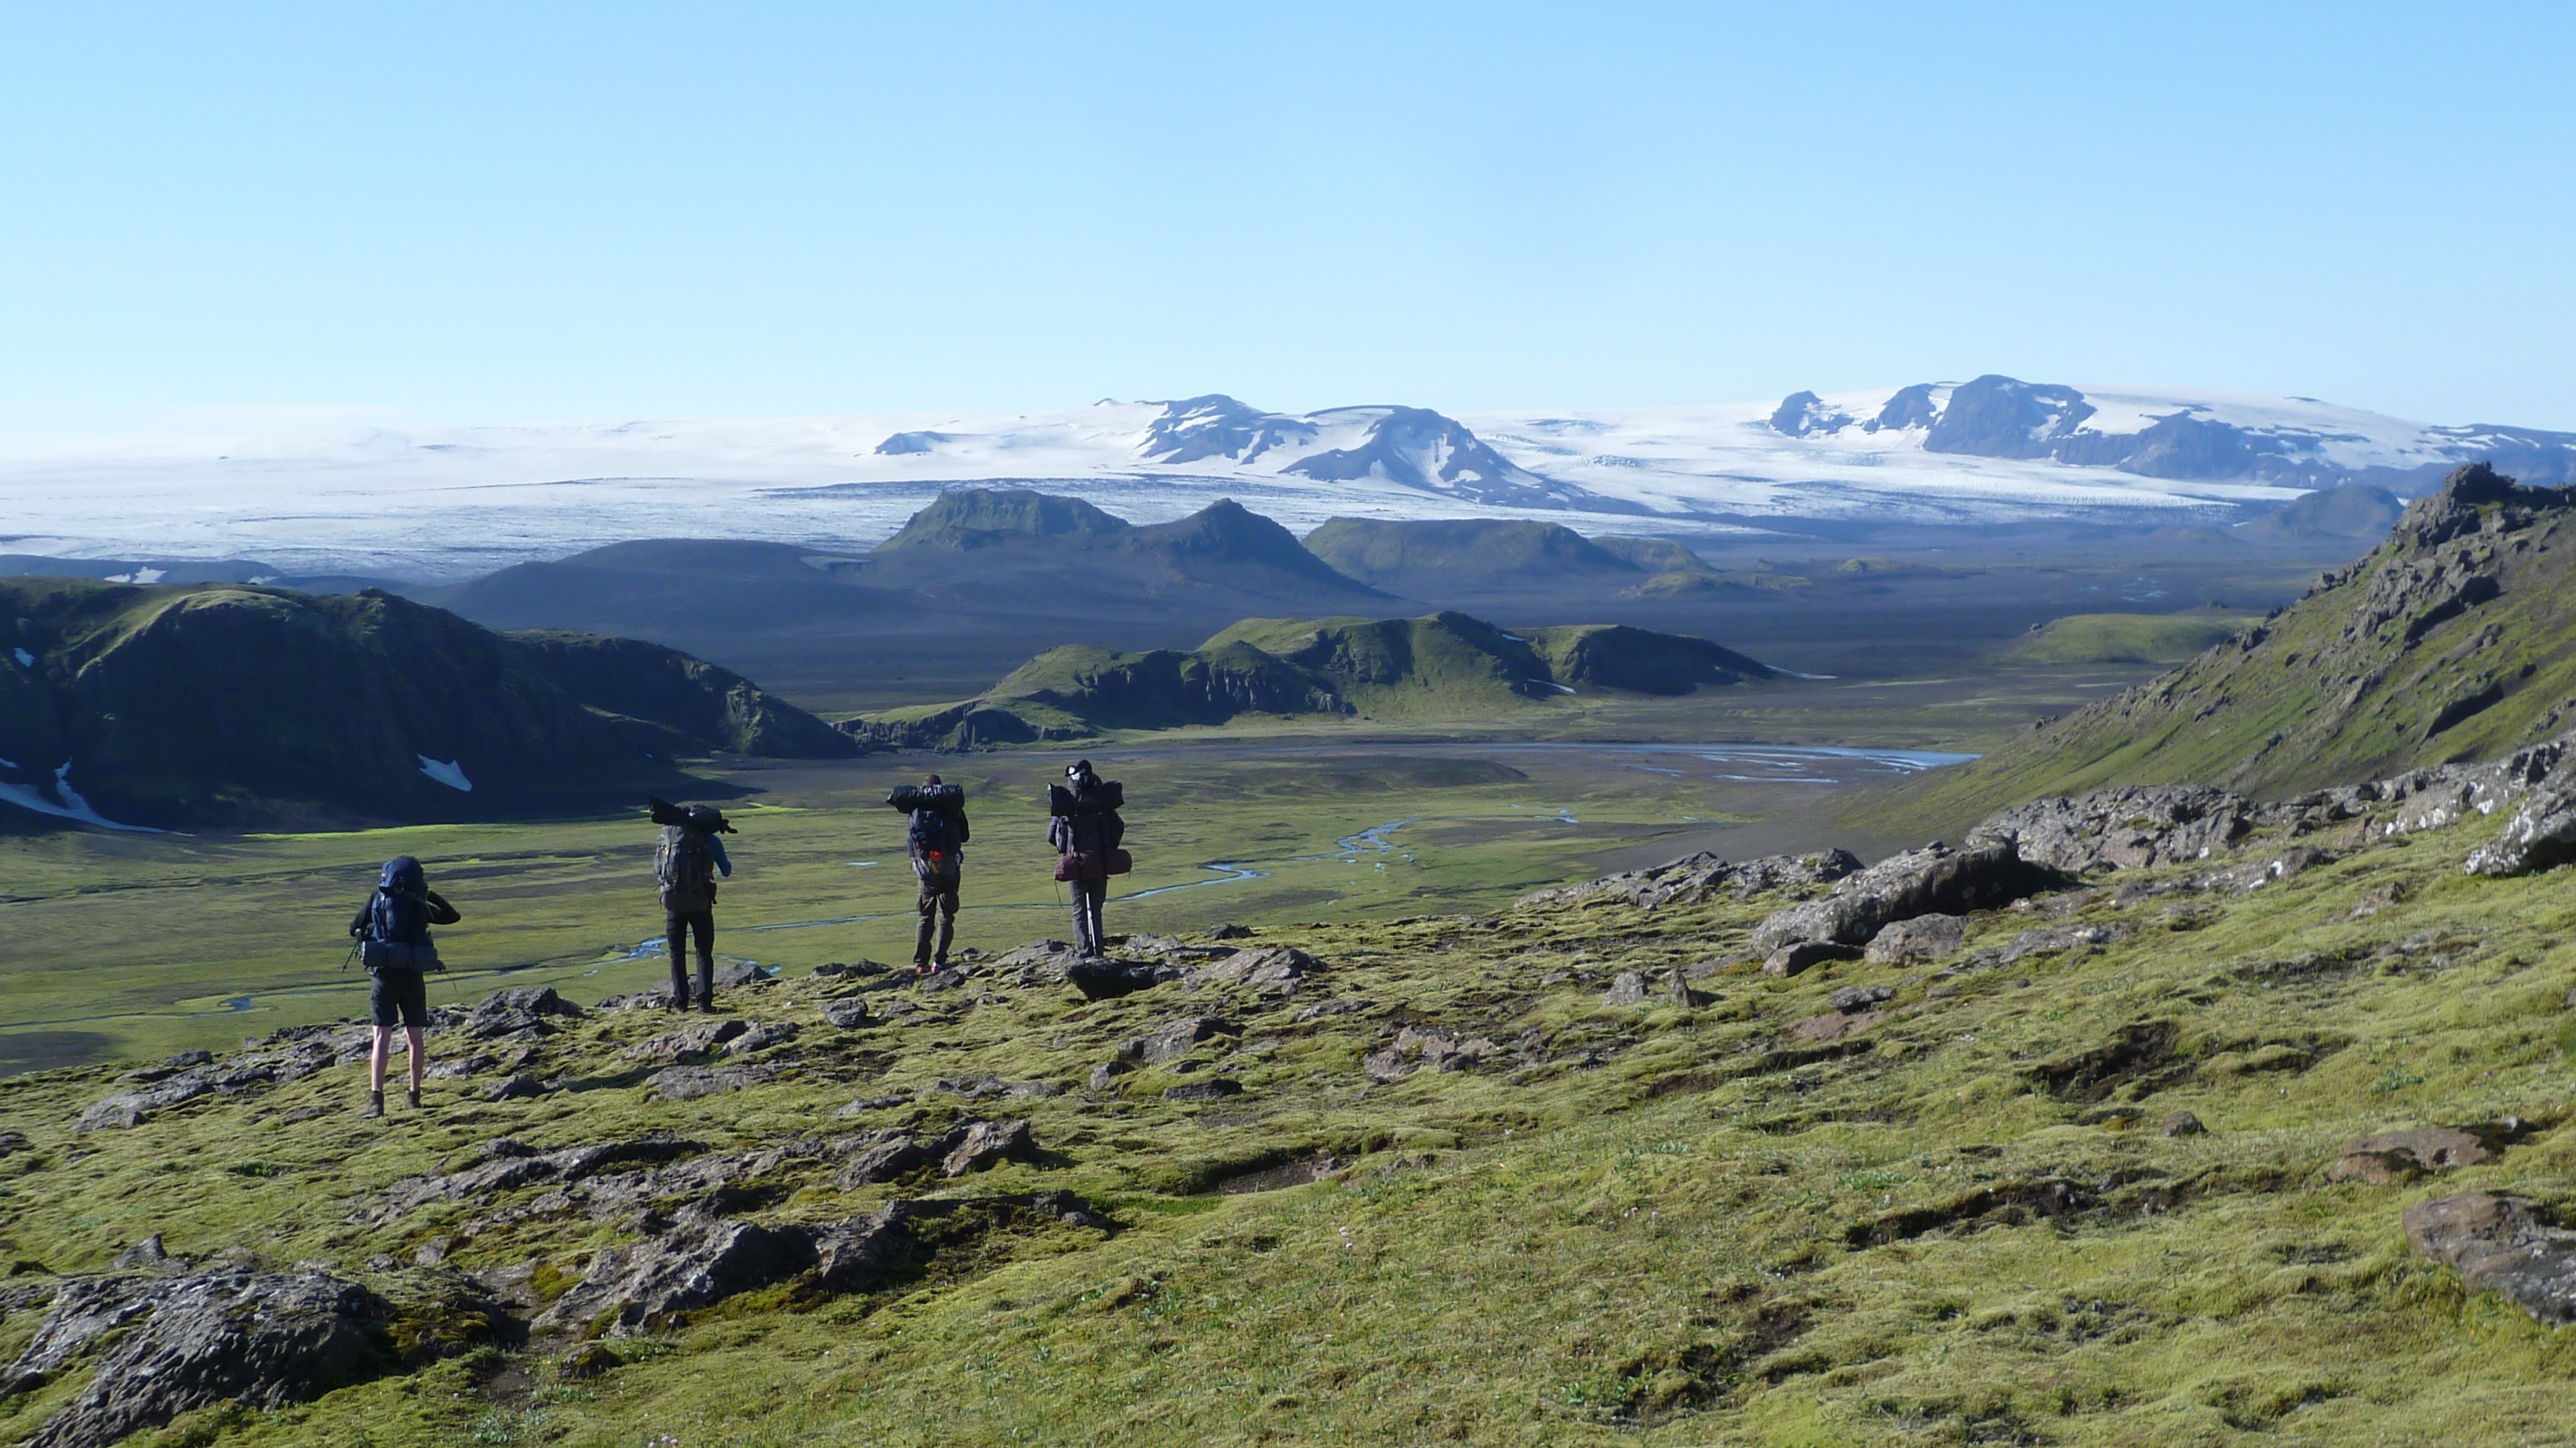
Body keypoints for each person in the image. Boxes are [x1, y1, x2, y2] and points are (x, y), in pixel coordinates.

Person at [346, 854, 458, 1118]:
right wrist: (429, 894)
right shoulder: (420, 905)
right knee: (415, 1038)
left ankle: (376, 1100)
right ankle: (413, 1096)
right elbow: (453, 916)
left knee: (381, 1038)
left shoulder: (376, 899)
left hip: (383, 978)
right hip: (412, 978)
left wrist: (368, 934)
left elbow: (353, 928)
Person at [651, 797, 734, 1013]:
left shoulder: (668, 836)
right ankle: (704, 1005)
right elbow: (726, 870)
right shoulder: (709, 839)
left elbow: (659, 869)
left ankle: (681, 1005)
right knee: (703, 952)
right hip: (700, 903)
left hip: (673, 902)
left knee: (676, 953)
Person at [1048, 760, 1126, 958]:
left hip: (1076, 867)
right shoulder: (1102, 804)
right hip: (1100, 865)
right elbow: (1119, 826)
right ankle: (1099, 951)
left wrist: (1065, 847)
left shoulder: (1066, 806)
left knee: (1079, 912)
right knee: (1096, 911)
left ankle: (1084, 953)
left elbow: (1051, 836)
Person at [901, 773, 967, 975]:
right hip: (949, 868)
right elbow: (965, 835)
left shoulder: (916, 809)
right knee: (947, 916)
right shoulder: (952, 807)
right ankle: (939, 961)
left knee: (925, 915)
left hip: (925, 870)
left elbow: (911, 842)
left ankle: (921, 963)